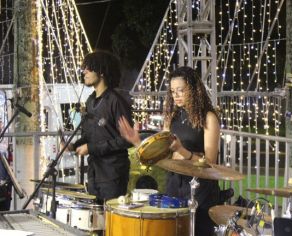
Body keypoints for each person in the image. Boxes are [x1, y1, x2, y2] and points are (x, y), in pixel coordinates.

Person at [119, 66, 220, 235]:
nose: (176, 96)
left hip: (199, 188)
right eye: (173, 92)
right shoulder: (172, 117)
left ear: (194, 90)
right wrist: (138, 142)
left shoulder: (208, 117)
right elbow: (161, 154)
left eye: (181, 90)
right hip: (174, 182)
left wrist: (182, 150)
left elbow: (210, 163)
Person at [66, 50, 133, 203]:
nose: (85, 71)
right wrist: (73, 145)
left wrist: (92, 148)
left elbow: (127, 140)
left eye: (89, 68)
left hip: (113, 173)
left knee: (111, 221)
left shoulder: (116, 101)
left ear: (101, 71)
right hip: (94, 171)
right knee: (95, 220)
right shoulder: (90, 101)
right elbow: (90, 135)